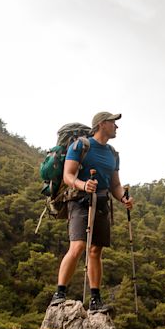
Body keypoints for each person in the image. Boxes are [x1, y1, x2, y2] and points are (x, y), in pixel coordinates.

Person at [51, 111, 134, 312]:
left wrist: (123, 197)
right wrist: (83, 184)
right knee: (78, 246)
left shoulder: (113, 154)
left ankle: (96, 299)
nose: (117, 127)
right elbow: (68, 175)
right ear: (102, 124)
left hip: (102, 203)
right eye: (113, 123)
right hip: (80, 201)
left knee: (96, 251)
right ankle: (59, 293)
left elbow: (115, 185)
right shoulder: (80, 145)